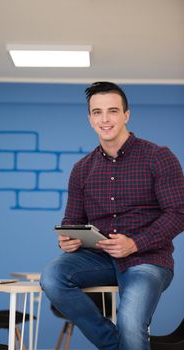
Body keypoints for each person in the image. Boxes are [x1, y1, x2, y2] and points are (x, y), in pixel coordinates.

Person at [40, 82, 184, 350]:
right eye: (97, 112)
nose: (105, 119)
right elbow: (72, 222)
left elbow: (179, 212)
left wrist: (135, 243)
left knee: (130, 320)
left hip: (147, 259)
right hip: (98, 258)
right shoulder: (81, 169)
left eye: (112, 111)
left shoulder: (159, 157)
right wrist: (67, 241)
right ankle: (114, 346)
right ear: (90, 118)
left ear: (126, 115)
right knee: (52, 277)